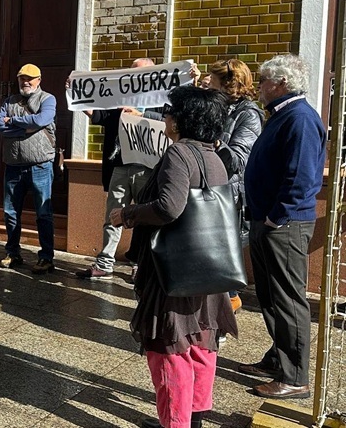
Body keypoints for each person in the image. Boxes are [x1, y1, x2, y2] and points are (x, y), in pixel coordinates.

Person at [109, 85, 237, 428]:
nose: (164, 118)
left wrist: (127, 215)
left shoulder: (179, 153)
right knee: (201, 343)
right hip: (208, 269)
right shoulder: (214, 156)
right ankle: (194, 419)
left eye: (168, 113)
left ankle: (175, 422)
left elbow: (169, 207)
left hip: (174, 272)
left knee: (169, 348)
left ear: (179, 121)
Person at [239, 54, 326, 400]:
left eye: (263, 80)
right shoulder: (281, 115)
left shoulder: (300, 118)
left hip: (284, 225)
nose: (259, 86)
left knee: (288, 299)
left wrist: (277, 218)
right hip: (269, 220)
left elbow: (301, 178)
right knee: (271, 297)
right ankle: (279, 358)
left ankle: (295, 377)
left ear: (282, 83)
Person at [76, 58, 161, 280]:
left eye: (140, 73)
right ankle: (105, 263)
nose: (135, 77)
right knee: (113, 215)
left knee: (145, 217)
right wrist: (76, 95)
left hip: (147, 168)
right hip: (120, 165)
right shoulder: (119, 97)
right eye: (132, 73)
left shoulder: (160, 98)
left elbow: (170, 121)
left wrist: (142, 115)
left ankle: (140, 264)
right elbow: (99, 116)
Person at [207, 58, 264, 313]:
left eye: (213, 80)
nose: (209, 84)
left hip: (229, 194)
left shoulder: (248, 114)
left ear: (228, 84)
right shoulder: (216, 107)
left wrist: (212, 142)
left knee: (223, 251)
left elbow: (239, 160)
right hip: (209, 187)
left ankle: (230, 301)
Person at [0, 64, 58, 274]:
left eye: (30, 78)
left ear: (39, 80)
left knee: (43, 213)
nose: (26, 82)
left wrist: (13, 121)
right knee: (10, 212)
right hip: (13, 165)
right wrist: (26, 129)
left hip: (40, 165)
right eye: (22, 78)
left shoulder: (48, 99)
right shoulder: (9, 101)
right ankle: (12, 253)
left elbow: (41, 119)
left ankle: (46, 257)